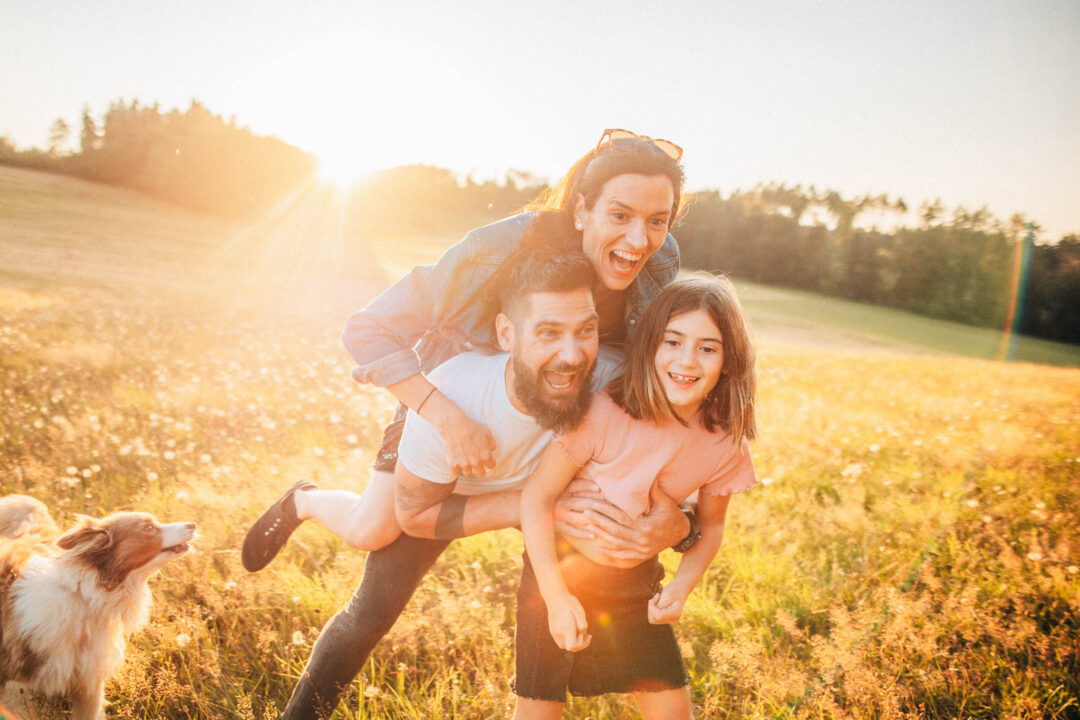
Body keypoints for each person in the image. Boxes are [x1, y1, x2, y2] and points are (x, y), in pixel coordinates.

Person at [245, 130, 699, 719]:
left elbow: (663, 401)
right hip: (456, 411)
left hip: (557, 441)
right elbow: (367, 329)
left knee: (590, 560)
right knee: (375, 546)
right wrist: (444, 414)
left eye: (657, 220)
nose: (639, 239)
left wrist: (680, 520)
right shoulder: (498, 248)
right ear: (580, 209)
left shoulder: (659, 264)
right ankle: (304, 501)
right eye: (620, 214)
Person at [516, 276, 758, 719]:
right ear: (649, 346)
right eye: (673, 341)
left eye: (708, 347)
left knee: (672, 709)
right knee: (538, 707)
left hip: (637, 586)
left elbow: (714, 524)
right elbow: (536, 499)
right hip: (559, 573)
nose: (687, 360)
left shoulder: (725, 442)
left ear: (728, 361)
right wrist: (554, 596)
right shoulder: (602, 412)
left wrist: (681, 589)